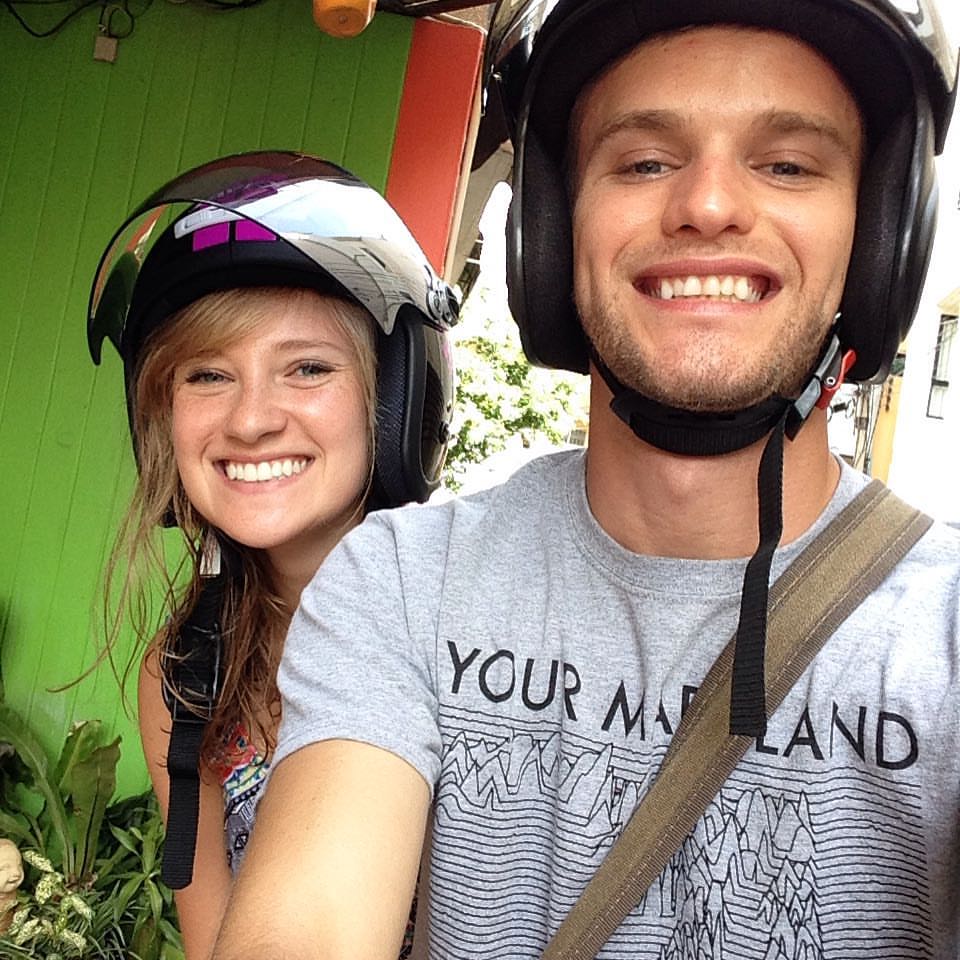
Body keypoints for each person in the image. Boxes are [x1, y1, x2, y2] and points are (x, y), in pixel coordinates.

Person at [212, 3, 960, 959]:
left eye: (787, 164)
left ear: (883, 236)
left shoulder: (940, 637)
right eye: (645, 160)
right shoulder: (401, 585)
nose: (710, 204)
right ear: (552, 233)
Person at [87, 150, 457, 960]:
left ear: (396, 400)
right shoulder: (187, 671)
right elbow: (216, 937)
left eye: (308, 368)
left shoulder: (480, 628)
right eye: (209, 374)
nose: (251, 420)